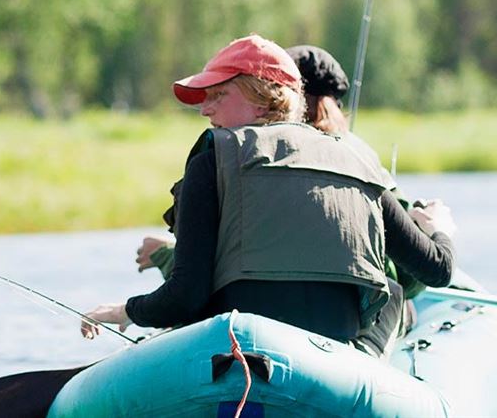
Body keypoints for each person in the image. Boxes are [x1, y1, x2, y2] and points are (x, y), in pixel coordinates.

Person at [81, 36, 456, 356]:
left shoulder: (213, 155)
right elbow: (437, 270)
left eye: (218, 95)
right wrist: (440, 229)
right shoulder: (358, 158)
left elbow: (186, 295)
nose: (205, 109)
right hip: (336, 361)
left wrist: (127, 311)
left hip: (235, 352)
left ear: (263, 99)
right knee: (389, 293)